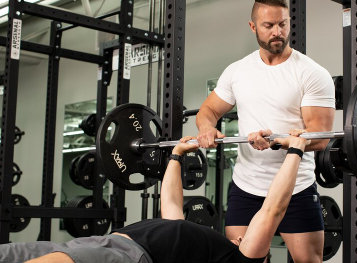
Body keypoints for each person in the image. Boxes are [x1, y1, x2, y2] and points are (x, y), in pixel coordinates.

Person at [0, 132, 309, 263]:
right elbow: (172, 208)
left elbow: (272, 209)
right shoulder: (196, 246)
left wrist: (295, 151)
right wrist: (176, 156)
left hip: (126, 256)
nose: (244, 237)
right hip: (104, 244)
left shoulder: (239, 261)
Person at [195, 1, 335, 262]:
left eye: (282, 24)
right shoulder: (237, 71)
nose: (277, 32)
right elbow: (208, 111)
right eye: (268, 25)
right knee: (241, 260)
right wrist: (206, 128)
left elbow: (320, 136)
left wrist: (277, 143)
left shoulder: (311, 73)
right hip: (247, 187)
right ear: (253, 27)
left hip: (296, 188)